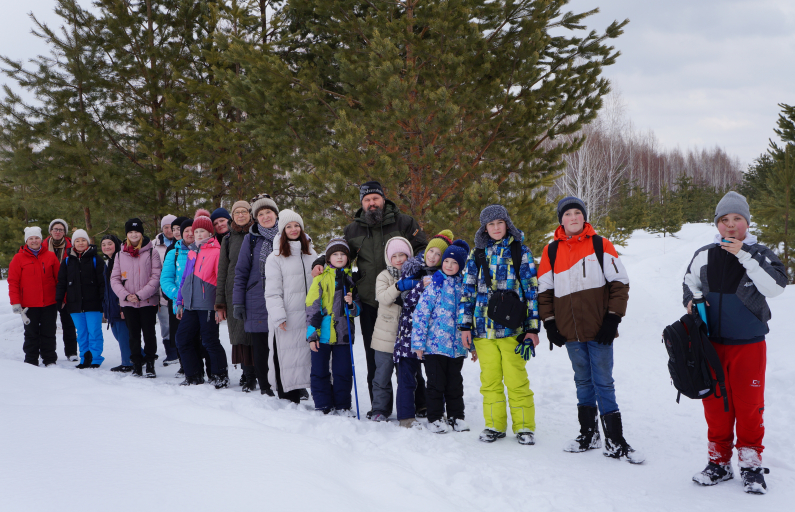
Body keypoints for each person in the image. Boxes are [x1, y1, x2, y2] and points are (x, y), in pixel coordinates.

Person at [683, 191, 786, 494]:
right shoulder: (705, 253)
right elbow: (690, 282)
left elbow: (775, 287)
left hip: (748, 344)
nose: (730, 225)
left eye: (736, 219)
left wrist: (743, 253)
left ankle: (751, 464)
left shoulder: (761, 253)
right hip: (711, 343)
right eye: (724, 220)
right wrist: (692, 301)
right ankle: (718, 462)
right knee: (715, 404)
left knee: (749, 405)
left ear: (746, 222)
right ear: (717, 223)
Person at [537, 197, 642, 464]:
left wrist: (613, 319)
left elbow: (620, 283)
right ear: (561, 219)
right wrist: (549, 323)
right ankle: (588, 434)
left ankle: (615, 439)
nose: (573, 218)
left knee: (603, 381)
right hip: (570, 332)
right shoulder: (550, 251)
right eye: (567, 214)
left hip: (599, 329)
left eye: (577, 213)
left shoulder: (600, 245)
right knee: (582, 381)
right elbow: (544, 292)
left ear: (584, 217)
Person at [311, 181, 427, 412]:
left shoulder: (404, 222)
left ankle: (419, 402)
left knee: (410, 354)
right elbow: (339, 253)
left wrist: (414, 269)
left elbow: (423, 247)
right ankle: (379, 406)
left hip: (405, 302)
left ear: (383, 199)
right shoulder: (353, 230)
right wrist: (319, 261)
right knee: (375, 356)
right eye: (367, 200)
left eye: (375, 199)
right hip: (370, 301)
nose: (371, 203)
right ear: (362, 204)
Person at [458, 204, 540, 445]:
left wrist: (532, 329)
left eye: (499, 223)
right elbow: (468, 291)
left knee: (516, 379)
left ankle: (525, 427)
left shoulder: (520, 251)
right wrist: (465, 326)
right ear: (484, 228)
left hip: (513, 330)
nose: (495, 228)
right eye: (490, 224)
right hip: (483, 329)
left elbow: (532, 291)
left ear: (507, 224)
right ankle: (494, 425)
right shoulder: (477, 254)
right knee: (490, 380)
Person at [393, 230, 454, 426]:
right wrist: (420, 285)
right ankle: (405, 416)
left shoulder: (444, 276)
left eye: (439, 255)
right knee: (407, 377)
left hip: (433, 335)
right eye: (431, 251)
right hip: (409, 333)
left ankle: (436, 412)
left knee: (435, 378)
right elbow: (405, 300)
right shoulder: (412, 271)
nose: (433, 257)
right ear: (426, 251)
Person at [412, 240, 472, 433]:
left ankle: (457, 417)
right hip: (434, 346)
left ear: (460, 266)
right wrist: (419, 343)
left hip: (457, 348)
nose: (449, 265)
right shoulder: (435, 284)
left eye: (454, 263)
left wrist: (473, 346)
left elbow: (469, 317)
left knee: (455, 384)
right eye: (446, 261)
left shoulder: (464, 287)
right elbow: (421, 314)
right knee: (436, 384)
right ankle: (435, 418)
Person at [265, 209, 317, 403]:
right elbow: (272, 291)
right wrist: (278, 315)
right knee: (286, 355)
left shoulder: (311, 253)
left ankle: (304, 389)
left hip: (309, 315)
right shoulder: (275, 258)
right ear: (283, 230)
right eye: (289, 226)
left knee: (304, 356)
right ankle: (287, 393)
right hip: (287, 315)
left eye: (297, 226)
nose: (294, 229)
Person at [305, 238, 360, 414]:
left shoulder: (351, 280)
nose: (339, 257)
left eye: (342, 254)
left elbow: (357, 310)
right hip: (322, 333)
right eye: (335, 254)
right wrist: (312, 335)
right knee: (320, 370)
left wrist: (351, 305)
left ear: (348, 258)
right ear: (328, 258)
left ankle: (343, 404)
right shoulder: (320, 278)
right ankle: (323, 403)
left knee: (343, 371)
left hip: (344, 334)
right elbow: (312, 306)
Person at [233, 194, 279, 396]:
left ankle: (289, 383)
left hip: (283, 299)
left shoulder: (288, 235)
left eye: (268, 212)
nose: (265, 216)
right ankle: (265, 385)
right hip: (256, 299)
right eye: (260, 214)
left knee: (284, 345)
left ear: (276, 214)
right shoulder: (250, 239)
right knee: (261, 346)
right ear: (256, 218)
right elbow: (240, 272)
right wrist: (238, 303)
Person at [176, 211, 229, 388]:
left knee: (209, 341)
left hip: (208, 305)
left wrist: (220, 305)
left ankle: (220, 375)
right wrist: (180, 302)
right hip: (190, 305)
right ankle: (193, 375)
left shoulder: (216, 251)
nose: (197, 234)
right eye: (195, 231)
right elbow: (184, 279)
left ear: (210, 233)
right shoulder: (192, 252)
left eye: (202, 231)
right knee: (182, 339)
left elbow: (221, 279)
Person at [110, 218, 162, 377]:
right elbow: (115, 279)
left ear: (141, 233)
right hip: (128, 303)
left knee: (149, 334)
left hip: (147, 301)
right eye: (130, 232)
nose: (134, 235)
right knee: (133, 335)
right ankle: (137, 364)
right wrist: (126, 296)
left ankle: (150, 364)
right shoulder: (120, 255)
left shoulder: (152, 252)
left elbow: (156, 276)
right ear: (126, 235)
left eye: (137, 232)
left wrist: (140, 295)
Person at [369, 237, 413, 421]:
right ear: (389, 258)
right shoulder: (384, 276)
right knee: (382, 375)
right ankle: (380, 408)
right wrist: (398, 286)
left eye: (402, 254)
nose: (398, 259)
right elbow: (383, 297)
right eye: (394, 256)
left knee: (409, 376)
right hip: (384, 336)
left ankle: (412, 407)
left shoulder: (415, 275)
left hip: (407, 336)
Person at [216, 201, 256, 391]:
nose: (241, 215)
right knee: (240, 334)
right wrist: (220, 303)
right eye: (237, 212)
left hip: (256, 290)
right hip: (234, 291)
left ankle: (259, 372)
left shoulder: (258, 233)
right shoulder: (228, 238)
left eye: (244, 211)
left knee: (257, 333)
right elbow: (222, 271)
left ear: (250, 213)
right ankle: (248, 375)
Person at [8, 227, 60, 366]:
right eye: (31, 238)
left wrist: (61, 297)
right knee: (31, 334)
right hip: (29, 305)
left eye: (36, 238)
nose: (34, 241)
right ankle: (31, 361)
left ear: (41, 239)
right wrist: (15, 302)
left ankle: (49, 359)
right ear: (26, 241)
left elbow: (59, 279)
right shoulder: (19, 258)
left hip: (49, 302)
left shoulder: (50, 256)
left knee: (49, 332)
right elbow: (13, 281)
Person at [55, 229, 106, 369]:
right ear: (73, 243)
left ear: (88, 242)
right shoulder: (66, 261)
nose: (80, 243)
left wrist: (103, 300)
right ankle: (84, 358)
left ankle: (96, 358)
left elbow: (103, 283)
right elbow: (61, 283)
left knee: (94, 331)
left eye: (83, 240)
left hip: (93, 304)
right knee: (81, 333)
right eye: (77, 240)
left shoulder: (96, 259)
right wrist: (59, 300)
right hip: (74, 305)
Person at [44, 218, 78, 361]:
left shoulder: (72, 247)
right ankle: (48, 353)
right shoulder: (42, 246)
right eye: (55, 229)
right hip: (48, 290)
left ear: (65, 232)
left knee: (68, 323)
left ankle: (71, 353)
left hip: (67, 289)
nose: (58, 232)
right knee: (48, 325)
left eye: (61, 229)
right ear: (50, 231)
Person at [101, 235, 134, 372]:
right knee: (118, 334)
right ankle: (140, 355)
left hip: (120, 304)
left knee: (123, 334)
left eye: (110, 243)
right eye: (103, 244)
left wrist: (122, 305)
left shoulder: (121, 260)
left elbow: (125, 283)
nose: (106, 247)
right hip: (111, 305)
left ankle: (127, 361)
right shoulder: (108, 262)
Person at [154, 214, 179, 365]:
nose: (169, 230)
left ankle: (180, 350)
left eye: (173, 227)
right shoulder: (154, 245)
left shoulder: (184, 242)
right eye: (166, 227)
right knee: (166, 324)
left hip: (179, 290)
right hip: (162, 291)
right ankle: (171, 352)